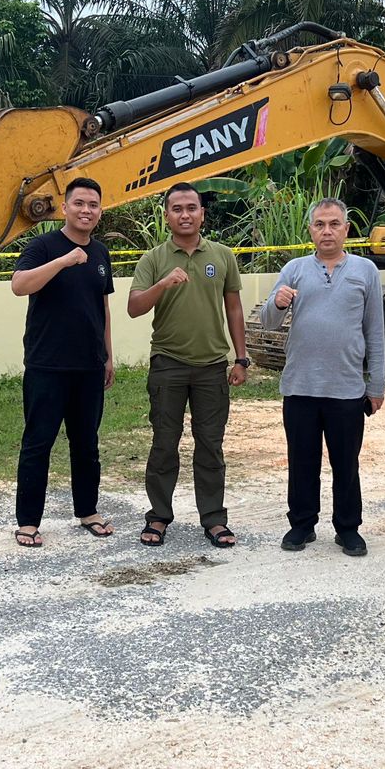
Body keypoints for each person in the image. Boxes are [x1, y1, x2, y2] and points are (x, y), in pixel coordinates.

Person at [258, 198, 385, 557]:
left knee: (346, 463)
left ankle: (348, 529)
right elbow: (269, 322)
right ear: (310, 230)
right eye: (319, 224)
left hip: (346, 388)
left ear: (346, 229)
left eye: (333, 224)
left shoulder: (365, 271)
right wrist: (278, 302)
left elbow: (375, 331)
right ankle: (301, 525)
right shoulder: (294, 269)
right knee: (302, 461)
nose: (326, 231)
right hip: (300, 386)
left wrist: (376, 384)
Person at [127, 183, 249, 548]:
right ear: (167, 215)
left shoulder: (223, 256)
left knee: (210, 445)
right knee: (165, 443)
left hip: (213, 366)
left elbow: (234, 309)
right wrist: (163, 284)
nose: (185, 214)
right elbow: (134, 308)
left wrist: (240, 358)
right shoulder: (153, 259)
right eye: (177, 208)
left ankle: (213, 519)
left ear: (202, 213)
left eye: (191, 208)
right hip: (168, 364)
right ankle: (159, 516)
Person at [8, 177, 116, 548]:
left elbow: (103, 307)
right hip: (47, 365)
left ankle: (88, 510)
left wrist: (108, 356)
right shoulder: (43, 245)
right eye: (80, 203)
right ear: (65, 207)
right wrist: (64, 260)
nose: (86, 210)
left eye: (93, 205)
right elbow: (19, 284)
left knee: (86, 443)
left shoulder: (101, 253)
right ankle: (28, 522)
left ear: (100, 211)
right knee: (38, 443)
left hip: (89, 366)